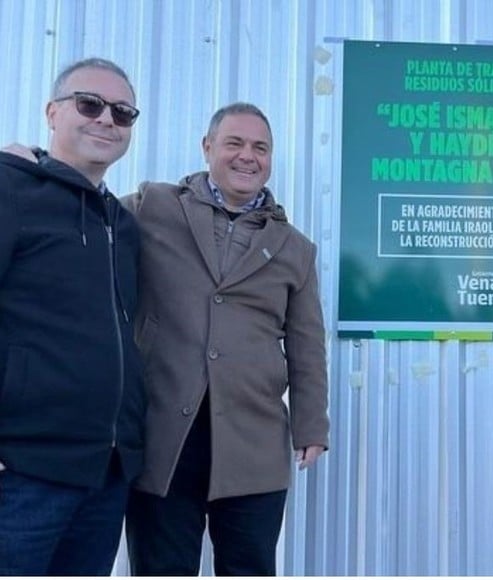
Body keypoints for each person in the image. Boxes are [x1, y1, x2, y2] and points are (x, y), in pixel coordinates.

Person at [121, 102, 330, 576]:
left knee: (249, 567)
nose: (247, 157)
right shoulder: (153, 206)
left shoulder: (295, 248)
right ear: (208, 147)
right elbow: (92, 215)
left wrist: (312, 423)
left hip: (252, 443)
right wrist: (34, 164)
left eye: (260, 147)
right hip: (164, 441)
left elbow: (306, 344)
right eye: (234, 143)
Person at [0, 58, 144, 575]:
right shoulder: (10, 189)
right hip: (23, 475)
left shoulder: (124, 225)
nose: (107, 119)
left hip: (104, 476)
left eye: (123, 112)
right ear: (53, 112)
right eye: (90, 104)